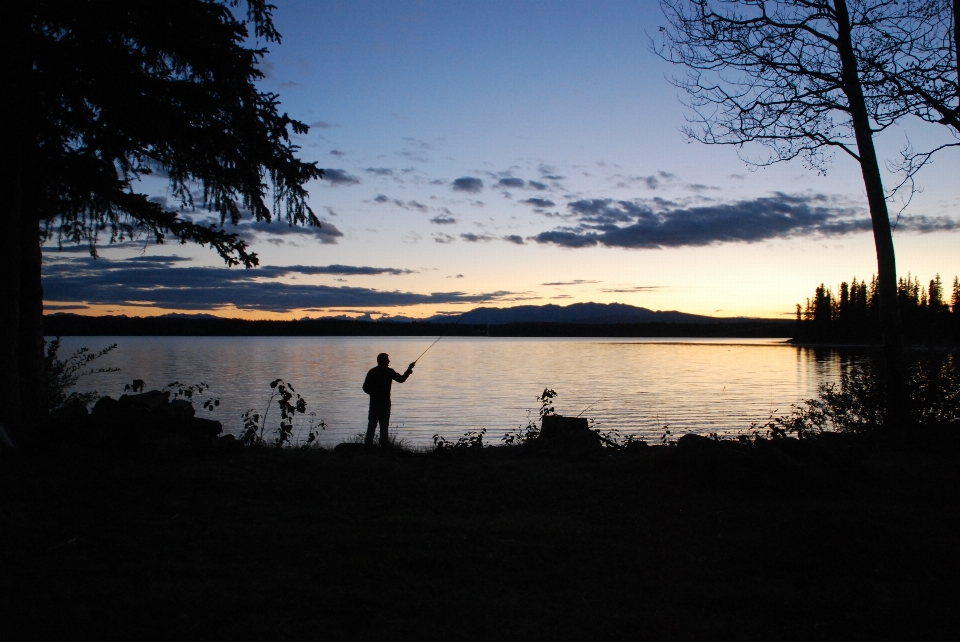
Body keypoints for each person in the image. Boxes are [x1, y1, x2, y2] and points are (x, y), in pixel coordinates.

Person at [362, 353, 414, 449]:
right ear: (382, 361)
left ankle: (368, 446)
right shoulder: (388, 371)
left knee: (372, 426)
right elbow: (401, 379)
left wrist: (373, 394)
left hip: (375, 404)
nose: (389, 361)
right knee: (383, 426)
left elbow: (365, 388)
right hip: (384, 405)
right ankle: (383, 446)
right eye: (387, 359)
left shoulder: (372, 371)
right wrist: (409, 370)